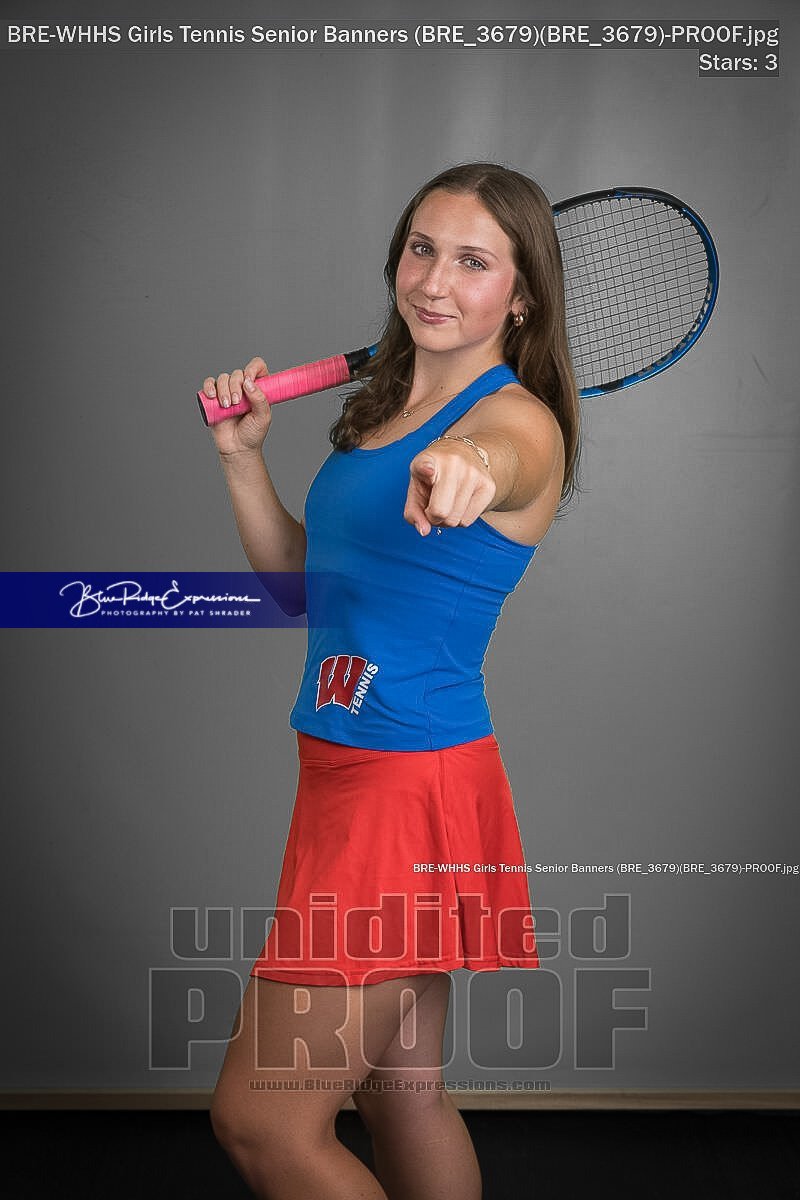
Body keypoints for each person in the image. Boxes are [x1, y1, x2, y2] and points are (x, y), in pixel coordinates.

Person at [202, 163, 581, 1200]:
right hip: (353, 771)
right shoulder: (379, 413)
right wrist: (241, 459)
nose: (434, 281)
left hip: (401, 788)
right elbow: (300, 591)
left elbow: (499, 457)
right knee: (400, 1093)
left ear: (522, 297)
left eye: (473, 262)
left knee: (262, 1124)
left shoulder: (519, 422)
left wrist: (467, 468)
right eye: (422, 248)